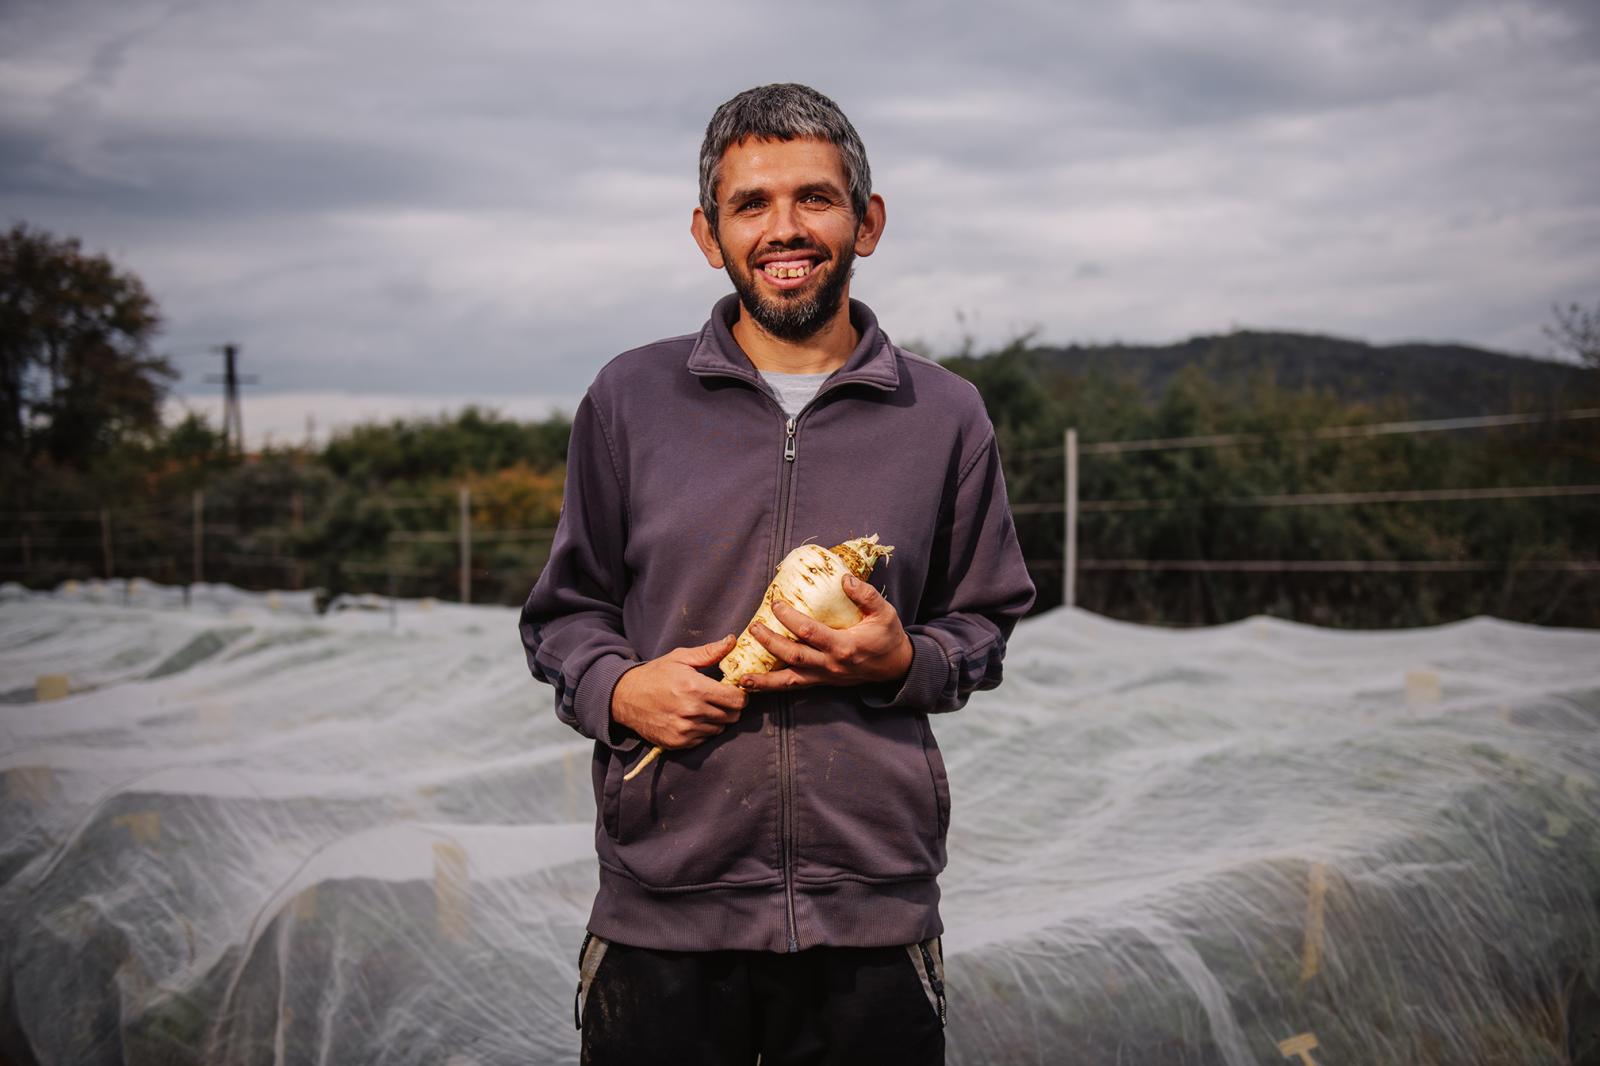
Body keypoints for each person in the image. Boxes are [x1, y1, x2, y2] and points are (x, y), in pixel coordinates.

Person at [519, 82, 1035, 1066]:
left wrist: (903, 659)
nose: (783, 228)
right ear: (708, 233)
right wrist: (621, 688)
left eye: (814, 198)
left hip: (870, 920)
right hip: (664, 914)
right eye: (750, 203)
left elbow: (984, 621)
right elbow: (565, 612)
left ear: (866, 222)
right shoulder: (632, 398)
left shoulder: (945, 414)